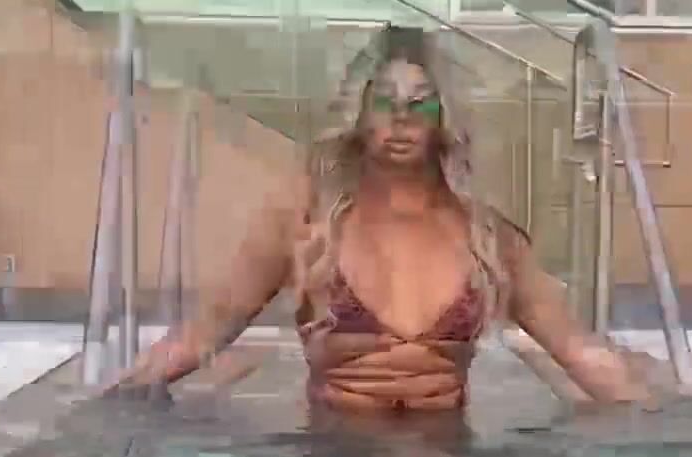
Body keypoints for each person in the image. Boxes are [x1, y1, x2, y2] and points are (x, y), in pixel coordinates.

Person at [113, 25, 655, 414]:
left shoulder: (488, 237)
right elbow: (201, 336)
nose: (401, 119)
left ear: (443, 117)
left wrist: (662, 430)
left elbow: (579, 351)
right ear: (359, 113)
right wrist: (109, 408)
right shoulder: (306, 226)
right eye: (385, 102)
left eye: (420, 103)